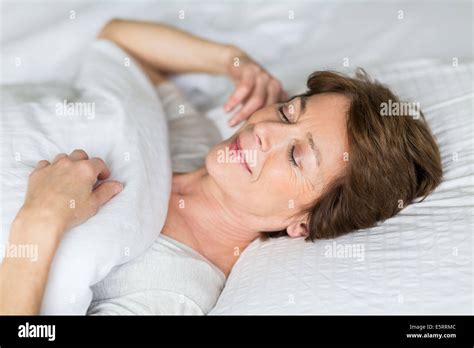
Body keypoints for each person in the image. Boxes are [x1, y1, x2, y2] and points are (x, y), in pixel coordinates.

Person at [0, 19, 443, 315]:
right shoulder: (191, 141)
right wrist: (232, 61)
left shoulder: (171, 291)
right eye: (290, 112)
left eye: (296, 155)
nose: (266, 130)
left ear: (304, 222)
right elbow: (118, 40)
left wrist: (39, 222)